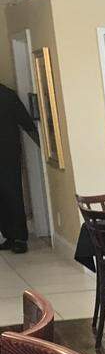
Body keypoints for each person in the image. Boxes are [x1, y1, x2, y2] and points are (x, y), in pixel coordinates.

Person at [0, 82, 40, 255]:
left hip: (7, 153)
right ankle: (9, 235)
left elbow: (25, 121)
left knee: (12, 193)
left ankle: (19, 238)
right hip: (8, 151)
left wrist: (43, 145)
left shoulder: (7, 95)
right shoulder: (8, 94)